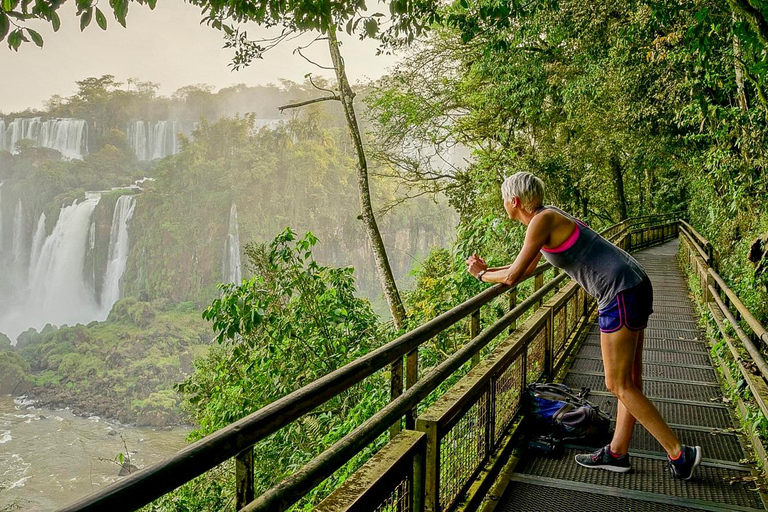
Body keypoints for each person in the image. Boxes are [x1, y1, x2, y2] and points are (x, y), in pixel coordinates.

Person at [465, 171, 702, 479]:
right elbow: (523, 269)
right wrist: (488, 269)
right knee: (629, 380)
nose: (503, 205)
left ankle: (679, 454)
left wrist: (482, 276)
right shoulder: (545, 218)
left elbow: (511, 278)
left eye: (503, 200)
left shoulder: (541, 221)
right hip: (632, 283)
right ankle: (617, 453)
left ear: (514, 201)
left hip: (618, 292)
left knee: (618, 384)